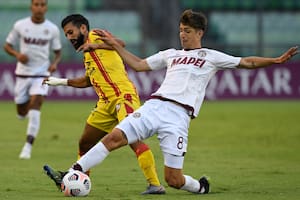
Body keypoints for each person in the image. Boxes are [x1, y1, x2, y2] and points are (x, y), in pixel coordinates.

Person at [45, 9, 298, 195]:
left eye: (187, 31)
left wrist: (275, 61)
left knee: (174, 179)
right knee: (113, 138)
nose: (182, 35)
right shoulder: (171, 54)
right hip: (155, 106)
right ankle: (72, 172)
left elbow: (247, 62)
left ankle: (199, 187)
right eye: (180, 30)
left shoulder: (210, 56)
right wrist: (114, 46)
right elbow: (139, 65)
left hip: (179, 118)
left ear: (199, 33)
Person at [42, 14, 165, 195]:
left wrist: (96, 45)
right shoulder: (86, 54)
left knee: (134, 140)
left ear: (83, 28)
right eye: (66, 34)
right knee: (85, 143)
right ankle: (76, 179)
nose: (69, 37)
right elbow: (88, 81)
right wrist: (60, 82)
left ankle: (155, 185)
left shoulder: (96, 35)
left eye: (71, 32)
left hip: (123, 98)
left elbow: (120, 43)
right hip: (105, 105)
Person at [3, 0, 62, 159]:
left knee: (36, 104)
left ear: (46, 7)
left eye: (42, 4)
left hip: (42, 74)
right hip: (23, 74)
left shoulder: (52, 29)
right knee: (22, 112)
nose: (39, 8)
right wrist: (17, 55)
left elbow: (58, 52)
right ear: (31, 7)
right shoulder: (20, 25)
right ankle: (24, 113)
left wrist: (54, 64)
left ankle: (27, 147)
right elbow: (7, 45)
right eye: (36, 4)